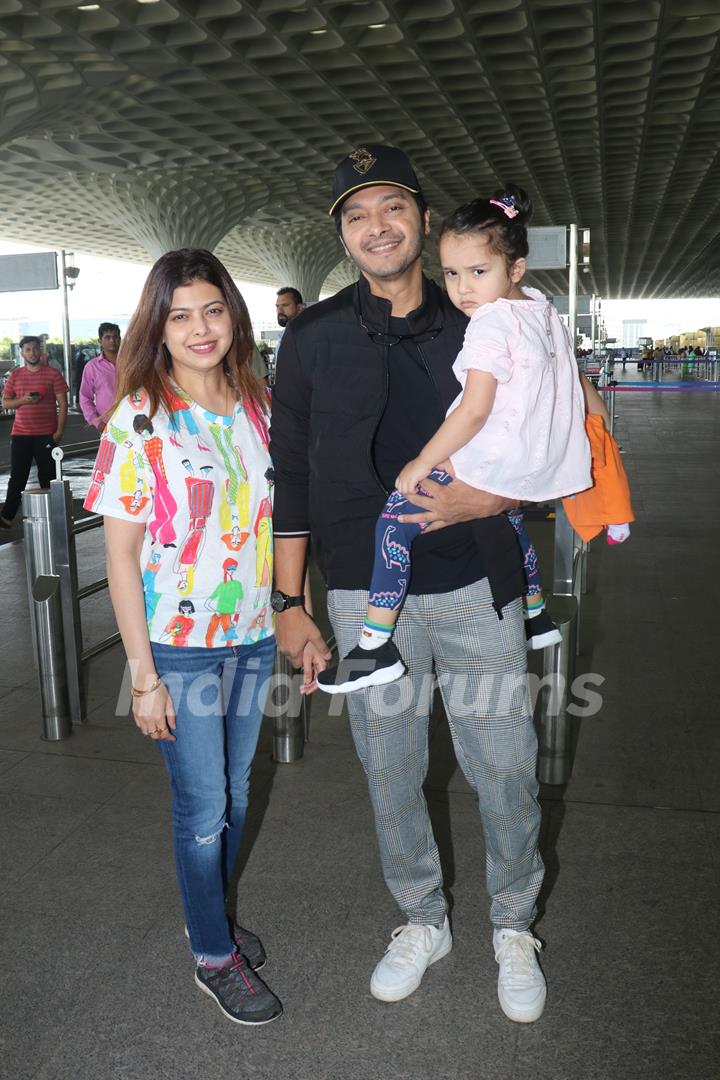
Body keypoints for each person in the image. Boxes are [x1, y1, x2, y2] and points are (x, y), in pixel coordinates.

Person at [270, 145, 553, 1023]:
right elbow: (293, 475)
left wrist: (498, 493)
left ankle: (514, 925)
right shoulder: (311, 338)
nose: (376, 227)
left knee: (502, 765)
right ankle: (422, 920)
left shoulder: (490, 320)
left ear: (425, 223)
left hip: (476, 578)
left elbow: (560, 432)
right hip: (361, 592)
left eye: (392, 207)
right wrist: (289, 602)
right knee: (389, 771)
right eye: (356, 214)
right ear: (342, 234)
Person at [84, 249, 282, 1026]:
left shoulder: (256, 402)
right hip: (179, 644)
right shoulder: (140, 414)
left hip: (253, 636)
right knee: (203, 808)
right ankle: (211, 954)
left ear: (232, 315)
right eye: (180, 315)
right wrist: (143, 676)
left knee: (233, 795)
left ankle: (213, 921)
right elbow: (121, 557)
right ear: (157, 328)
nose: (200, 328)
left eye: (212, 310)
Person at [316, 188, 590, 694]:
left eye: (477, 271)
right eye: (453, 273)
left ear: (516, 268)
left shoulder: (488, 324)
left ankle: (374, 646)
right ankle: (534, 614)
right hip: (530, 460)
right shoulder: (540, 310)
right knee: (511, 522)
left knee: (394, 526)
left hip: (487, 455)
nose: (463, 288)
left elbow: (473, 409)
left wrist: (423, 460)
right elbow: (573, 381)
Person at [0, 335, 68, 529]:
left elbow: (63, 404)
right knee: (17, 477)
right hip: (20, 435)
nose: (32, 353)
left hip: (46, 435)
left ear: (41, 351)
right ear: (22, 353)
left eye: (36, 349)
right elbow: (5, 403)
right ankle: (6, 517)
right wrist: (23, 400)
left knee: (48, 477)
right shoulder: (15, 375)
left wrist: (59, 432)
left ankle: (54, 518)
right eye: (28, 349)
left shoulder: (53, 374)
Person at [79, 322, 121, 431]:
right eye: (107, 337)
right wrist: (97, 422)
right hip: (107, 425)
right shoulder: (92, 367)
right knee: (111, 448)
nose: (112, 340)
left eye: (115, 337)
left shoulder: (131, 363)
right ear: (100, 341)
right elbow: (85, 397)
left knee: (133, 448)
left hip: (133, 422)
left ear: (120, 339)